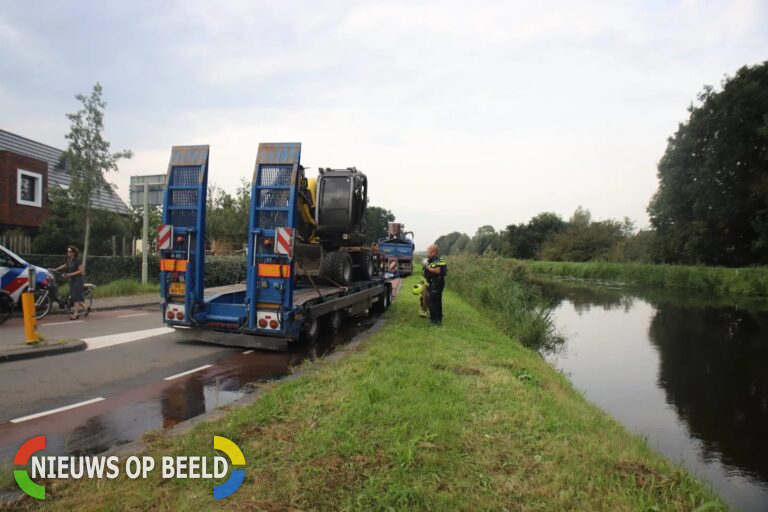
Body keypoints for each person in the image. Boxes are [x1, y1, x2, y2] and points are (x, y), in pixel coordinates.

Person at [53, 245, 85, 320]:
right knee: (73, 297)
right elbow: (65, 265)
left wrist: (69, 274)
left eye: (70, 251)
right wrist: (56, 269)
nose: (68, 252)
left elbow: (81, 270)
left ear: (74, 252)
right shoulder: (69, 260)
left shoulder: (77, 260)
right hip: (72, 280)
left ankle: (76, 314)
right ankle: (86, 308)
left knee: (76, 297)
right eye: (68, 251)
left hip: (78, 280)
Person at [423, 244, 447, 325]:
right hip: (435, 282)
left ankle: (434, 321)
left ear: (433, 252)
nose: (427, 253)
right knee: (437, 301)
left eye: (428, 251)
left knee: (432, 301)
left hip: (436, 282)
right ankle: (438, 319)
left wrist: (427, 267)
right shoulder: (435, 260)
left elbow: (438, 271)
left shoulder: (438, 260)